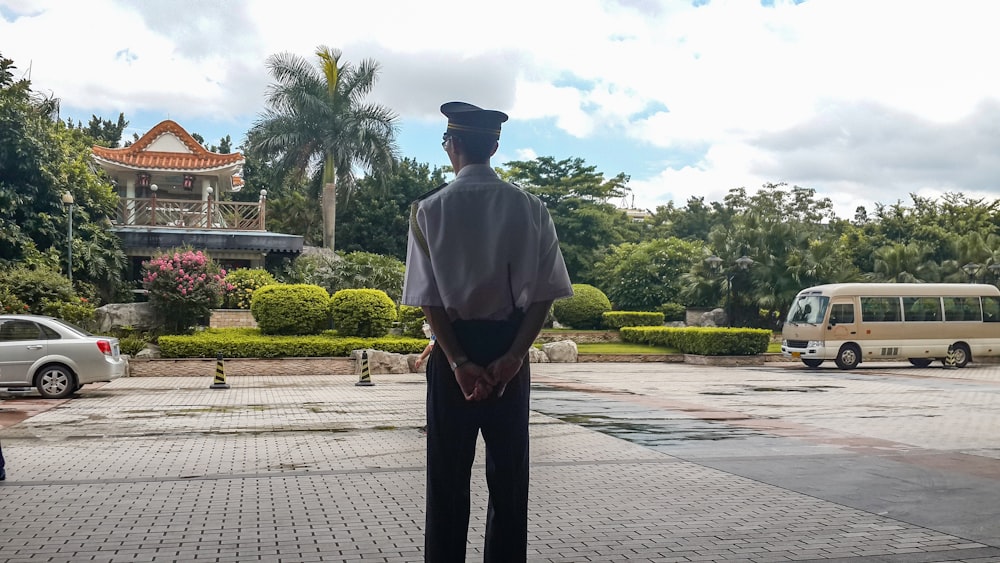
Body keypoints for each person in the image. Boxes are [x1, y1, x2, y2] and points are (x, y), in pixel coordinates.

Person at [402, 101, 573, 562]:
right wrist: (515, 356)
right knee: (510, 482)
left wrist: (457, 362)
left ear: (452, 145)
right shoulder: (532, 209)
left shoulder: (428, 211)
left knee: (447, 482)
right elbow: (544, 294)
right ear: (495, 144)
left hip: (452, 352)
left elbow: (428, 299)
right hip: (509, 350)